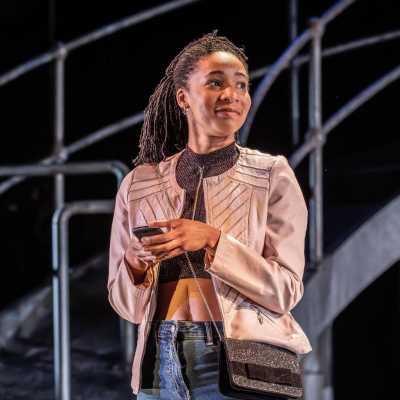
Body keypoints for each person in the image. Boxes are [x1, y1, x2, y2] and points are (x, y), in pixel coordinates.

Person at [107, 31, 312, 400]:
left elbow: (286, 290)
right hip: (159, 357)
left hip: (238, 360)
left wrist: (213, 241)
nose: (232, 95)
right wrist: (135, 266)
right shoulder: (139, 184)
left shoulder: (271, 174)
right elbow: (127, 307)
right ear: (183, 97)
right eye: (216, 83)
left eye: (241, 85)